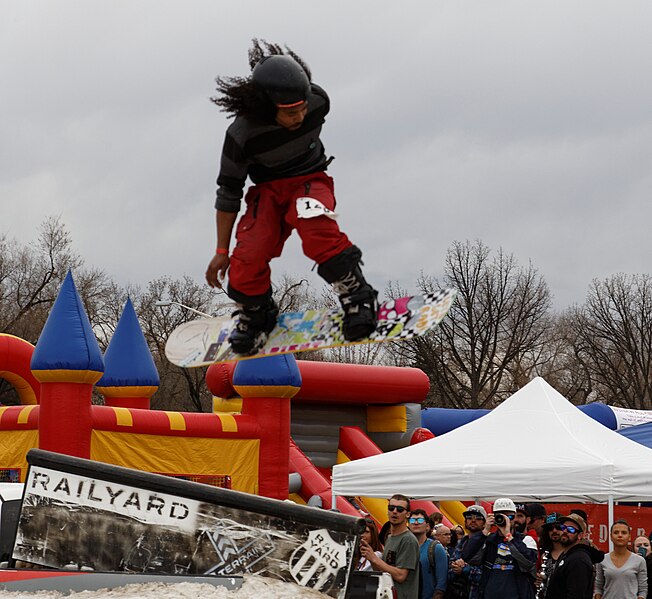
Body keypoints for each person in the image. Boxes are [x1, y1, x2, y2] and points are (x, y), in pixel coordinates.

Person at [206, 39, 378, 355]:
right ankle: (257, 313)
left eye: (302, 108)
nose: (300, 116)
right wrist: (221, 249)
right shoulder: (241, 135)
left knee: (315, 228)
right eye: (290, 112)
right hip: (268, 191)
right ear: (264, 109)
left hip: (311, 179)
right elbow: (229, 192)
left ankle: (357, 297)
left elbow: (308, 106)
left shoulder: (319, 102)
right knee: (250, 252)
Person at [463, 497, 537, 599]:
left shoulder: (526, 540)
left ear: (515, 517)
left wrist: (508, 535)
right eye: (500, 516)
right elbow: (468, 557)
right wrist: (484, 531)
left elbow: (529, 563)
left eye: (509, 517)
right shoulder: (488, 540)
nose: (505, 520)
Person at [360, 494, 420, 599]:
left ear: (407, 514)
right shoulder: (390, 538)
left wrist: (374, 558)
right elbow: (382, 572)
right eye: (391, 508)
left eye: (400, 509)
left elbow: (401, 576)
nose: (395, 511)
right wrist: (371, 558)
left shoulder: (408, 540)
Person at [544, 513, 604, 599]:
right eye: (563, 527)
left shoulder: (579, 560)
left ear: (580, 535)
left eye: (570, 530)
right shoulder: (567, 555)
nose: (565, 531)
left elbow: (576, 594)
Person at [594, 519, 647, 599]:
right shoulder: (602, 559)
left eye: (624, 533)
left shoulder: (639, 561)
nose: (620, 535)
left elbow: (643, 589)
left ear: (629, 537)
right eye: (616, 532)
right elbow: (598, 587)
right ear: (611, 536)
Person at [448, 504, 487, 599]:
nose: (473, 520)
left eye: (478, 518)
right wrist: (455, 569)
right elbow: (450, 569)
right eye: (469, 517)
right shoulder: (461, 542)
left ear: (485, 523)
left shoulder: (489, 542)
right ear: (465, 521)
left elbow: (489, 575)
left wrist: (465, 569)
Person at [409, 509, 447, 599]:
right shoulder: (404, 547)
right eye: (412, 520)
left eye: (420, 520)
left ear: (427, 526)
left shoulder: (435, 548)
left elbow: (441, 584)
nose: (416, 523)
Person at [536, 512, 565, 598]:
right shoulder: (543, 554)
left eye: (558, 527)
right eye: (550, 528)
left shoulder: (571, 553)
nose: (554, 531)